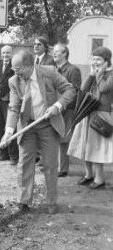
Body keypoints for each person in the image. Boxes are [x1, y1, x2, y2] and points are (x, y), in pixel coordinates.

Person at [2, 50, 76, 214]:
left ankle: (51, 202)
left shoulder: (49, 72)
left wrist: (57, 106)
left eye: (18, 69)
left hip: (48, 124)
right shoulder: (14, 81)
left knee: (50, 164)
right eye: (14, 70)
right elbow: (13, 108)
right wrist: (8, 132)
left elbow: (70, 90)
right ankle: (24, 201)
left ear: (30, 65)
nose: (16, 73)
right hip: (27, 125)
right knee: (24, 163)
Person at [68, 47, 113, 189]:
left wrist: (99, 74)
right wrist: (92, 75)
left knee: (97, 148)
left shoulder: (111, 74)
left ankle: (100, 179)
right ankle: (88, 175)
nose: (95, 61)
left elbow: (104, 88)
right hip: (87, 112)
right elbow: (83, 89)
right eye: (93, 58)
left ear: (107, 60)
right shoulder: (95, 73)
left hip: (101, 114)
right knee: (85, 146)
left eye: (98, 59)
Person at [53, 43, 82, 177]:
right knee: (54, 137)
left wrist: (62, 106)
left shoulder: (73, 70)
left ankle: (62, 169)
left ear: (64, 54)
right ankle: (55, 166)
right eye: (54, 51)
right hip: (54, 108)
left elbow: (75, 91)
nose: (54, 53)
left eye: (57, 51)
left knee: (64, 139)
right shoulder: (53, 69)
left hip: (67, 109)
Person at [0, 45, 19, 165]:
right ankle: (3, 153)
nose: (5, 55)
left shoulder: (14, 65)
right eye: (3, 53)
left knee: (10, 127)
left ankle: (13, 156)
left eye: (7, 53)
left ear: (11, 53)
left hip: (8, 100)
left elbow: (16, 82)